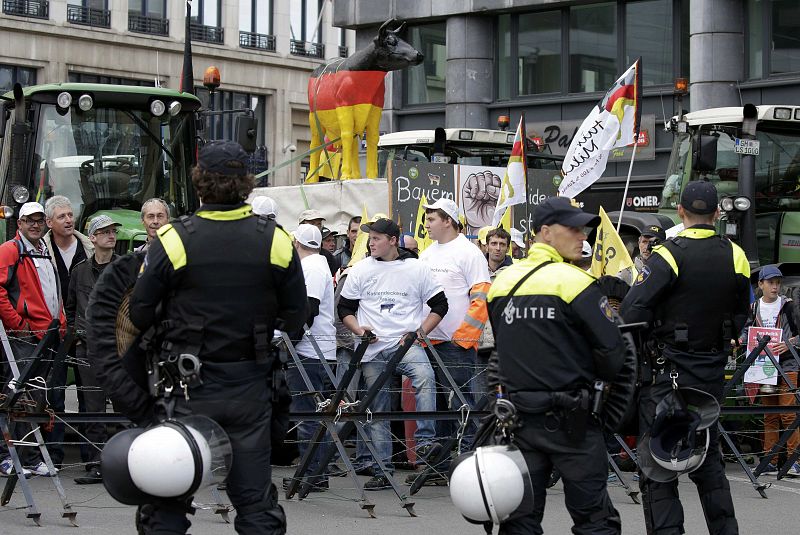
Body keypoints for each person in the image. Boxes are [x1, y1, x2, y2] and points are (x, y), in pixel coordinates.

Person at [128, 140, 307, 534]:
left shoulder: (174, 239)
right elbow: (296, 317)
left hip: (187, 389)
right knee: (256, 505)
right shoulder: (276, 239)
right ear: (246, 183)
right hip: (250, 387)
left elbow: (138, 313)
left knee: (168, 500)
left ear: (199, 182)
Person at [487, 196, 626, 533]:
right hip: (573, 422)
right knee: (595, 520)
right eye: (574, 229)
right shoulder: (576, 282)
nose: (583, 237)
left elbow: (503, 351)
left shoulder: (501, 284)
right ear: (546, 232)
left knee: (519, 521)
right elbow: (614, 353)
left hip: (518, 421)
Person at [620, 181, 747, 535]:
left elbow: (632, 309)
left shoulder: (668, 255)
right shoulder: (734, 253)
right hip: (710, 377)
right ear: (717, 214)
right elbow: (741, 313)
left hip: (666, 377)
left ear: (680, 211)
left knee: (659, 467)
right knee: (709, 464)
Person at [338, 217, 447, 490]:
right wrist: (359, 330)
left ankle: (424, 443)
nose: (371, 242)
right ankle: (382, 471)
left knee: (425, 377)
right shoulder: (361, 269)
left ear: (392, 241)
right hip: (372, 349)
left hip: (405, 344)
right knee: (377, 409)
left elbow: (440, 305)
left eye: (376, 238)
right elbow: (345, 310)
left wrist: (418, 333)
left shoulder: (417, 268)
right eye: (370, 238)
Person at [0, 202, 66, 478]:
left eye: (39, 220)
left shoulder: (43, 251)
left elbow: (53, 291)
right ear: (20, 224)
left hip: (45, 336)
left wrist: (59, 324)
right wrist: (17, 324)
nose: (35, 224)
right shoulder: (10, 250)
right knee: (12, 396)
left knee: (35, 398)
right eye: (30, 220)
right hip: (23, 337)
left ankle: (29, 456)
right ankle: (6, 457)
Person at [420, 198, 491, 451]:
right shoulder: (426, 253)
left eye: (431, 219)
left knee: (461, 404)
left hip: (455, 344)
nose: (426, 224)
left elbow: (482, 297)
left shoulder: (468, 252)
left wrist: (465, 337)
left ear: (448, 220)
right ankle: (439, 465)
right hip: (428, 341)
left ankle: (469, 459)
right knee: (437, 408)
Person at [65, 215, 120, 484]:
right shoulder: (79, 272)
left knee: (124, 408)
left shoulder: (125, 269)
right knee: (93, 408)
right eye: (105, 232)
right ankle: (96, 463)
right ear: (94, 238)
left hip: (119, 349)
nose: (111, 235)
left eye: (113, 231)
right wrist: (76, 338)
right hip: (87, 348)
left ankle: (127, 463)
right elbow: (71, 307)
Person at [284, 224, 337, 491]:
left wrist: (288, 341)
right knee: (310, 415)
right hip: (312, 349)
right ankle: (312, 472)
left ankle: (312, 475)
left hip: (311, 351)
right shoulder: (314, 265)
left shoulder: (313, 267)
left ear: (295, 242)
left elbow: (309, 309)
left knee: (308, 416)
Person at [41, 195, 93, 468]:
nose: (69, 220)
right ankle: (55, 456)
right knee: (55, 393)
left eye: (70, 215)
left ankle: (90, 455)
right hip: (56, 332)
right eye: (61, 217)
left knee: (88, 393)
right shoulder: (42, 251)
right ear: (49, 222)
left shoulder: (88, 247)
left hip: (83, 331)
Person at [740, 265, 800, 476]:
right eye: (771, 283)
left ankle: (795, 461)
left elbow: (799, 335)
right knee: (770, 416)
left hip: (787, 364)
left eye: (777, 283)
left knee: (789, 414)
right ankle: (770, 461)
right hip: (764, 367)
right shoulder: (754, 307)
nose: (775, 287)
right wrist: (739, 339)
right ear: (761, 284)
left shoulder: (789, 306)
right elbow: (747, 331)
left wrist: (790, 344)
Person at [299, 209, 338, 275]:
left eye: (319, 224)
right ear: (301, 226)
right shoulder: (291, 251)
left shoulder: (327, 256)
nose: (316, 227)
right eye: (312, 223)